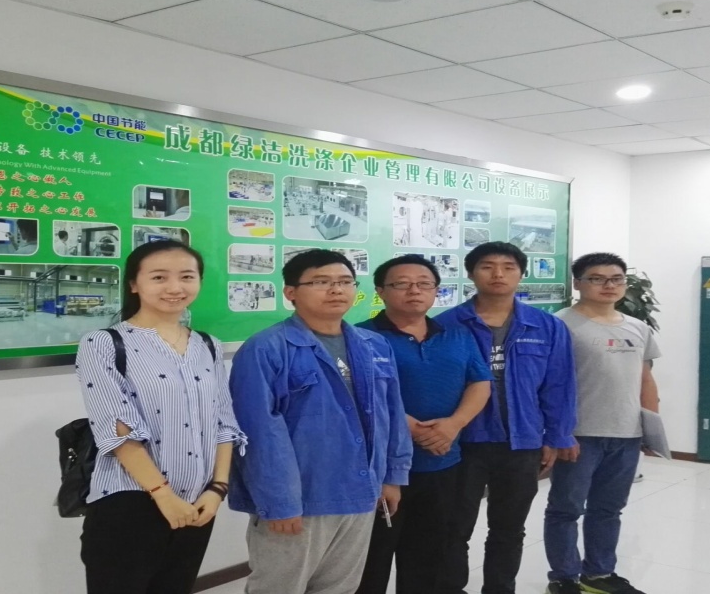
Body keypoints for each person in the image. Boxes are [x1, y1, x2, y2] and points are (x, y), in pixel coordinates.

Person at [228, 249, 412, 594]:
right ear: (291, 292)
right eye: (321, 282)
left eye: (345, 281)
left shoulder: (374, 345)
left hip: (361, 491)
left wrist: (392, 476)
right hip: (302, 498)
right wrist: (279, 502)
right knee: (280, 588)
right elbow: (258, 432)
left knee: (339, 587)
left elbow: (392, 414)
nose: (336, 289)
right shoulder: (266, 349)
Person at [75, 240, 245, 594]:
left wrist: (218, 489)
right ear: (134, 284)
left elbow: (224, 422)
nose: (174, 287)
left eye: (187, 276)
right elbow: (118, 429)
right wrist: (163, 496)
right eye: (159, 277)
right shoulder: (103, 343)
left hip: (199, 501)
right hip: (131, 502)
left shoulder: (208, 345)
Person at [435, 241, 577, 594]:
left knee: (509, 529)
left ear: (521, 274)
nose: (498, 274)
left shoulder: (546, 326)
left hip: (521, 442)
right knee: (453, 527)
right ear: (471, 273)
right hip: (462, 443)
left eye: (508, 267)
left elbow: (559, 385)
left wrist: (556, 436)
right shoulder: (446, 324)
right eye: (487, 266)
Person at [356, 255, 492, 594]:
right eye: (401, 284)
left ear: (435, 291)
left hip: (443, 463)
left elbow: (480, 383)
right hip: (380, 470)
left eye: (424, 284)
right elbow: (355, 393)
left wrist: (453, 424)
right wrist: (409, 427)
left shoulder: (457, 335)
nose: (414, 291)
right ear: (380, 291)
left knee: (428, 560)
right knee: (370, 562)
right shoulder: (359, 337)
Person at [544, 253, 661, 594]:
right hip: (579, 434)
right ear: (578, 283)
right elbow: (548, 383)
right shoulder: (560, 324)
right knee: (566, 509)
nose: (609, 285)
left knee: (609, 509)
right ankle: (564, 577)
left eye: (616, 278)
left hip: (626, 433)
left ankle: (598, 574)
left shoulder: (638, 327)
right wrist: (557, 434)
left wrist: (651, 428)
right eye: (597, 278)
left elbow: (645, 380)